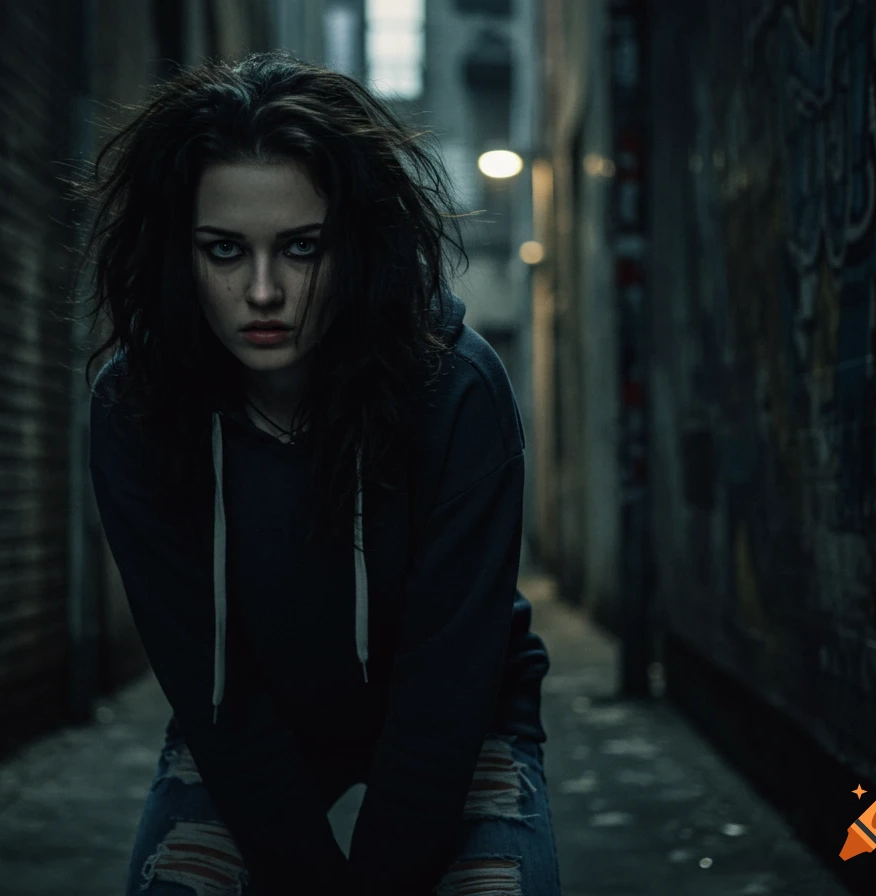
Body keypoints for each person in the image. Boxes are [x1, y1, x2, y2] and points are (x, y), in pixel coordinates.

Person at [80, 49, 560, 896]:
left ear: (355, 248)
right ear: (180, 256)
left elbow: (444, 702)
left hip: (465, 722)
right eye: (224, 251)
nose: (262, 291)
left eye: (301, 248)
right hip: (252, 721)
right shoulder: (138, 411)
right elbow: (210, 688)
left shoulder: (457, 390)